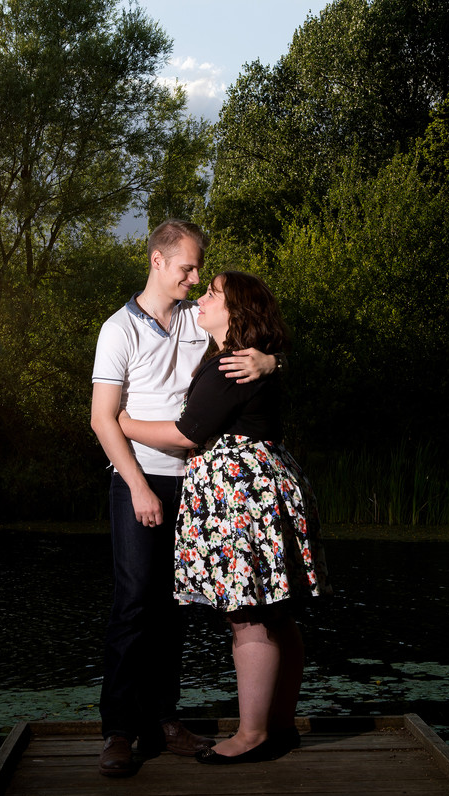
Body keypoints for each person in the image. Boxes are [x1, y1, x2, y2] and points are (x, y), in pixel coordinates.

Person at [118, 270, 330, 765]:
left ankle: (252, 735)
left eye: (212, 293)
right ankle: (277, 728)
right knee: (276, 613)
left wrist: (123, 421)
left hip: (243, 498)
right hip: (261, 486)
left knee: (249, 616)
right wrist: (277, 360)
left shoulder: (231, 365)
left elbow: (187, 433)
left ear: (235, 313)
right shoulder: (242, 359)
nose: (202, 297)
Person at [90, 221, 278, 777]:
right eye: (186, 269)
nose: (195, 280)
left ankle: (164, 719)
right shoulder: (118, 329)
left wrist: (272, 363)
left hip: (199, 485)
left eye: (200, 271)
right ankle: (120, 731)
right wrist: (139, 486)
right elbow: (103, 419)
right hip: (140, 479)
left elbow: (246, 341)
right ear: (157, 261)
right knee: (133, 602)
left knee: (176, 608)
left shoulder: (198, 320)